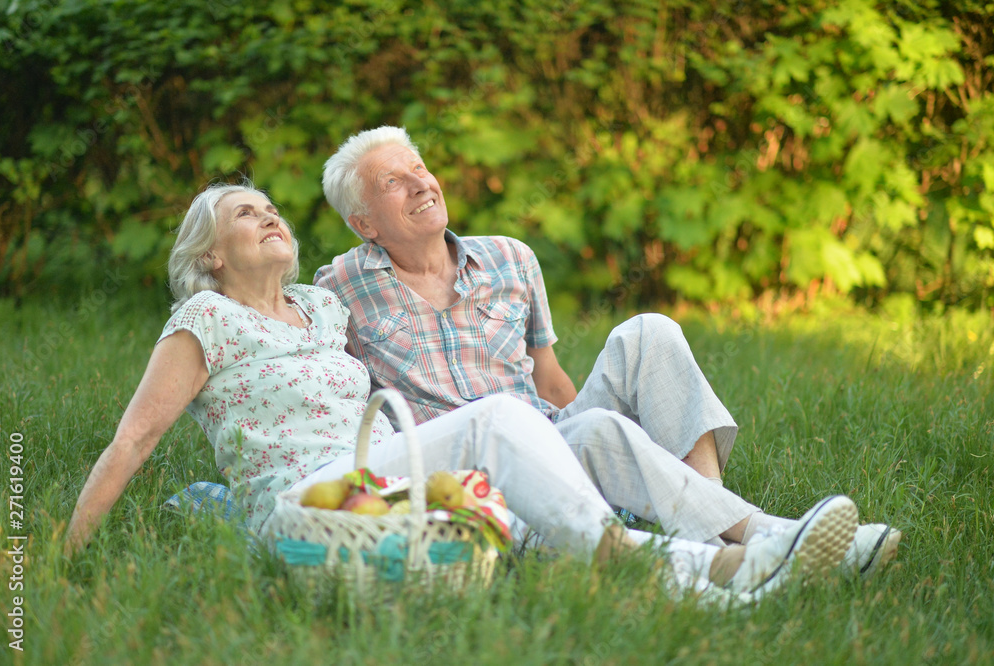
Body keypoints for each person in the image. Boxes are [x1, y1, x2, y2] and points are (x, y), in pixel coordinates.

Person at [65, 182, 860, 604]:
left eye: (273, 209)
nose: (270, 216)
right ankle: (661, 563)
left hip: (389, 479)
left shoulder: (321, 309)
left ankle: (746, 555)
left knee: (587, 438)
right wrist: (66, 561)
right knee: (499, 420)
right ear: (209, 256)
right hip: (308, 502)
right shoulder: (205, 319)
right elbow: (133, 440)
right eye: (246, 214)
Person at [314, 126, 900, 575]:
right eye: (393, 182)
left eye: (419, 168)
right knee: (596, 429)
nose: (421, 183)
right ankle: (769, 537)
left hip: (555, 437)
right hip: (475, 477)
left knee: (649, 331)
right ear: (364, 224)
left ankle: (721, 520)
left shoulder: (510, 258)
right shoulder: (338, 289)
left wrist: (578, 434)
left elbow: (549, 380)